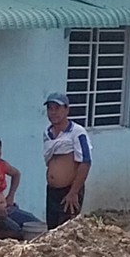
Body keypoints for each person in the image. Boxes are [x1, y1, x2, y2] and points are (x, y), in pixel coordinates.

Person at [0, 136, 45, 244]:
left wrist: (11, 195)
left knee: (35, 224)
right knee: (17, 231)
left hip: (7, 207)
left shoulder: (2, 164)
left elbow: (16, 174)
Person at [43, 93, 93, 228]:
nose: (53, 113)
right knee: (52, 230)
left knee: (65, 231)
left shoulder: (77, 132)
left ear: (66, 110)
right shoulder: (48, 133)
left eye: (57, 108)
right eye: (50, 109)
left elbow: (86, 162)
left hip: (69, 191)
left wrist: (73, 192)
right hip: (53, 191)